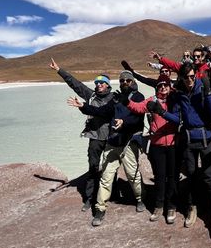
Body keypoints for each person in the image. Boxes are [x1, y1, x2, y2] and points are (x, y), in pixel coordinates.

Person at [155, 62, 211, 240]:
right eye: (186, 77)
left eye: (193, 76)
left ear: (196, 75)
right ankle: (191, 208)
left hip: (205, 139)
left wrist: (208, 93)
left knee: (209, 177)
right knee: (191, 175)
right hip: (188, 140)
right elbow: (177, 118)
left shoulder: (202, 89)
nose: (190, 80)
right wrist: (161, 112)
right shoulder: (180, 94)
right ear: (182, 78)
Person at [69, 70, 147, 226]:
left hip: (128, 143)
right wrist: (83, 107)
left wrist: (124, 123)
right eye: (122, 80)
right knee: (106, 177)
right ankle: (100, 209)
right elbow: (101, 111)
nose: (124, 82)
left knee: (132, 175)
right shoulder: (116, 98)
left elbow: (137, 118)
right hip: (112, 143)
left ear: (132, 82)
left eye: (127, 80)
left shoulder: (138, 97)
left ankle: (140, 199)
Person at [50, 58, 113, 212]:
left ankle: (110, 195)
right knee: (93, 167)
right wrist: (59, 70)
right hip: (94, 137)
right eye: (97, 83)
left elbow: (105, 113)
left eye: (101, 83)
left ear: (107, 85)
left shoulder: (113, 98)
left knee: (110, 169)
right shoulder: (90, 95)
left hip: (111, 138)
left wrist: (84, 107)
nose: (98, 85)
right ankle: (89, 198)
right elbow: (75, 84)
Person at [126, 76, 178, 224]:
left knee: (172, 177)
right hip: (157, 145)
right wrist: (127, 102)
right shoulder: (152, 100)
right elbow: (138, 107)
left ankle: (171, 206)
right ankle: (159, 205)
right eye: (160, 85)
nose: (163, 88)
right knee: (160, 177)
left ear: (170, 86)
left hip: (174, 144)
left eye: (165, 85)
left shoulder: (175, 99)